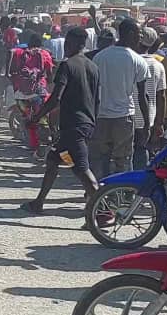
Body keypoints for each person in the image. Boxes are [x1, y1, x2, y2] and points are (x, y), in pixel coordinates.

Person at [21, 28, 100, 214]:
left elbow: (56, 98)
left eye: (67, 43)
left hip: (74, 126)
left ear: (72, 43)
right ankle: (38, 203)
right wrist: (92, 122)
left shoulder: (67, 65)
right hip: (85, 124)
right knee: (53, 160)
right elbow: (97, 99)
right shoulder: (93, 67)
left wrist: (36, 118)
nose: (65, 47)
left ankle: (103, 211)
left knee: (82, 169)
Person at [91, 18, 151, 179]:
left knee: (100, 159)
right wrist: (146, 124)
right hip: (124, 118)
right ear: (130, 34)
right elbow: (142, 95)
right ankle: (122, 190)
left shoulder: (100, 57)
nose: (140, 37)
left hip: (101, 116)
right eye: (139, 33)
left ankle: (98, 189)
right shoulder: (137, 60)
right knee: (123, 160)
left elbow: (93, 90)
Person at [8, 34, 54, 154]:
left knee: (27, 118)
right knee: (42, 117)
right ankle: (47, 141)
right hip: (39, 92)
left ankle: (33, 144)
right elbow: (49, 74)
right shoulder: (44, 54)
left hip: (21, 93)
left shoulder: (19, 53)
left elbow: (12, 70)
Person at [132, 27, 167, 170]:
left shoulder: (132, 61)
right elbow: (161, 96)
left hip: (128, 115)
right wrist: (159, 123)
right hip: (149, 118)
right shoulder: (158, 66)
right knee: (142, 150)